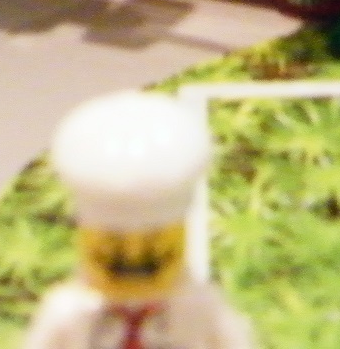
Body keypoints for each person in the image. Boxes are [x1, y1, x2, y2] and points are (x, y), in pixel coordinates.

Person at [25, 91, 255, 349]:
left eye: (152, 244)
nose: (133, 255)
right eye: (115, 246)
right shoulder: (69, 311)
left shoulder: (199, 308)